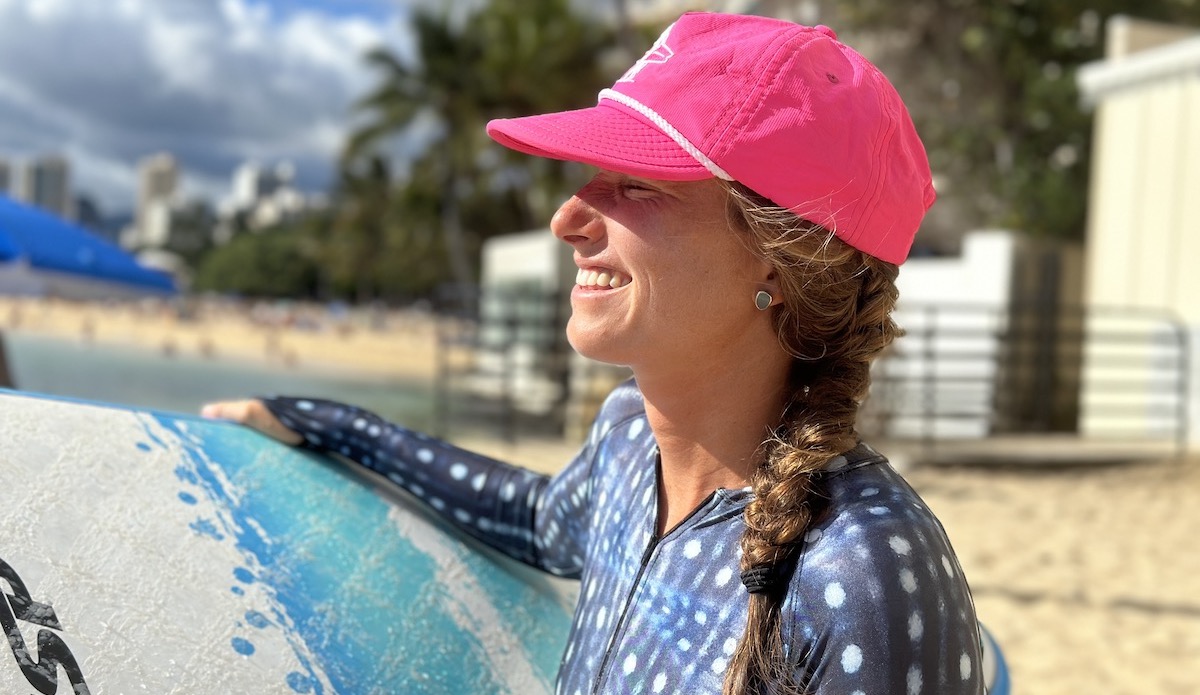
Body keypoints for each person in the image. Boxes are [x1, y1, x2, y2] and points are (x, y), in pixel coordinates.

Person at [203, 12, 983, 695]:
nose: (567, 216)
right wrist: (325, 423)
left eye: (639, 186)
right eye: (595, 177)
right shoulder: (625, 442)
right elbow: (531, 515)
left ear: (781, 260)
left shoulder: (864, 572)